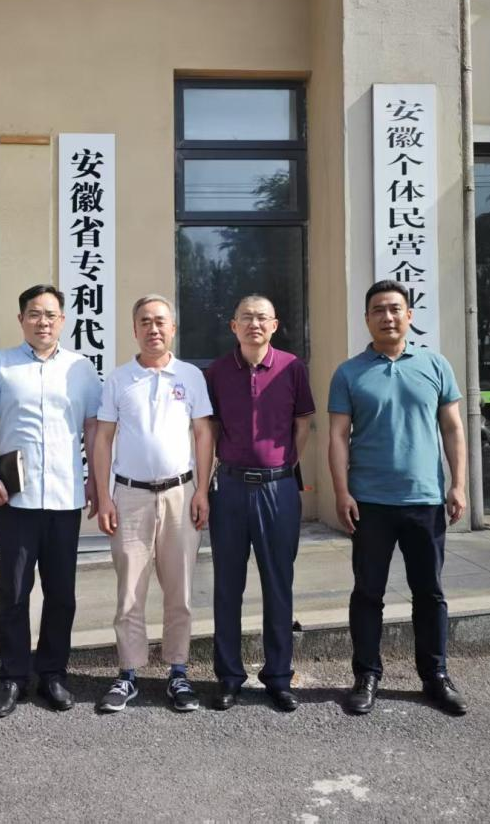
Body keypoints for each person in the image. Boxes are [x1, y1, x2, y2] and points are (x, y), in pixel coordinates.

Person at [327, 279, 469, 716]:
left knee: (429, 592)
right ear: (366, 319)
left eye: (394, 309)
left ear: (409, 315)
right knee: (368, 593)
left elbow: (453, 428)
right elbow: (337, 436)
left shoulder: (435, 365)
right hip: (370, 502)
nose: (387, 317)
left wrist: (458, 484)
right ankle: (366, 676)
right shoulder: (349, 372)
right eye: (378, 310)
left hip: (424, 499)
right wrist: (341, 491)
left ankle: (435, 676)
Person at [0, 283, 102, 719]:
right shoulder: (0, 364)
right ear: (21, 319)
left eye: (50, 314)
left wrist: (97, 482)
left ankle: (53, 674)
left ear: (63, 320)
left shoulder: (81, 369)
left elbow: (93, 429)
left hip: (65, 497)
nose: (43, 321)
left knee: (62, 594)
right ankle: (12, 676)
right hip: (15, 500)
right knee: (15, 591)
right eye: (34, 314)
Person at [92, 295, 214, 713]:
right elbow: (103, 439)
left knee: (180, 590)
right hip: (129, 496)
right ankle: (128, 674)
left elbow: (204, 435)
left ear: (173, 328)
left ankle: (178, 672)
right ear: (134, 329)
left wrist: (202, 490)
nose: (153, 328)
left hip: (181, 494)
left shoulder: (191, 376)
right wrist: (104, 496)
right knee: (129, 590)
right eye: (145, 321)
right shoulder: (119, 379)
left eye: (161, 321)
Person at [205, 294, 315, 712]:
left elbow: (302, 423)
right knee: (227, 586)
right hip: (230, 488)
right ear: (233, 326)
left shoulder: (292, 367)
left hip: (277, 489)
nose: (254, 324)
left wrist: (284, 465)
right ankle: (229, 677)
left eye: (262, 318)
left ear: (274, 325)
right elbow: (211, 430)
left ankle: (278, 677)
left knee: (278, 584)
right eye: (246, 317)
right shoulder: (217, 372)